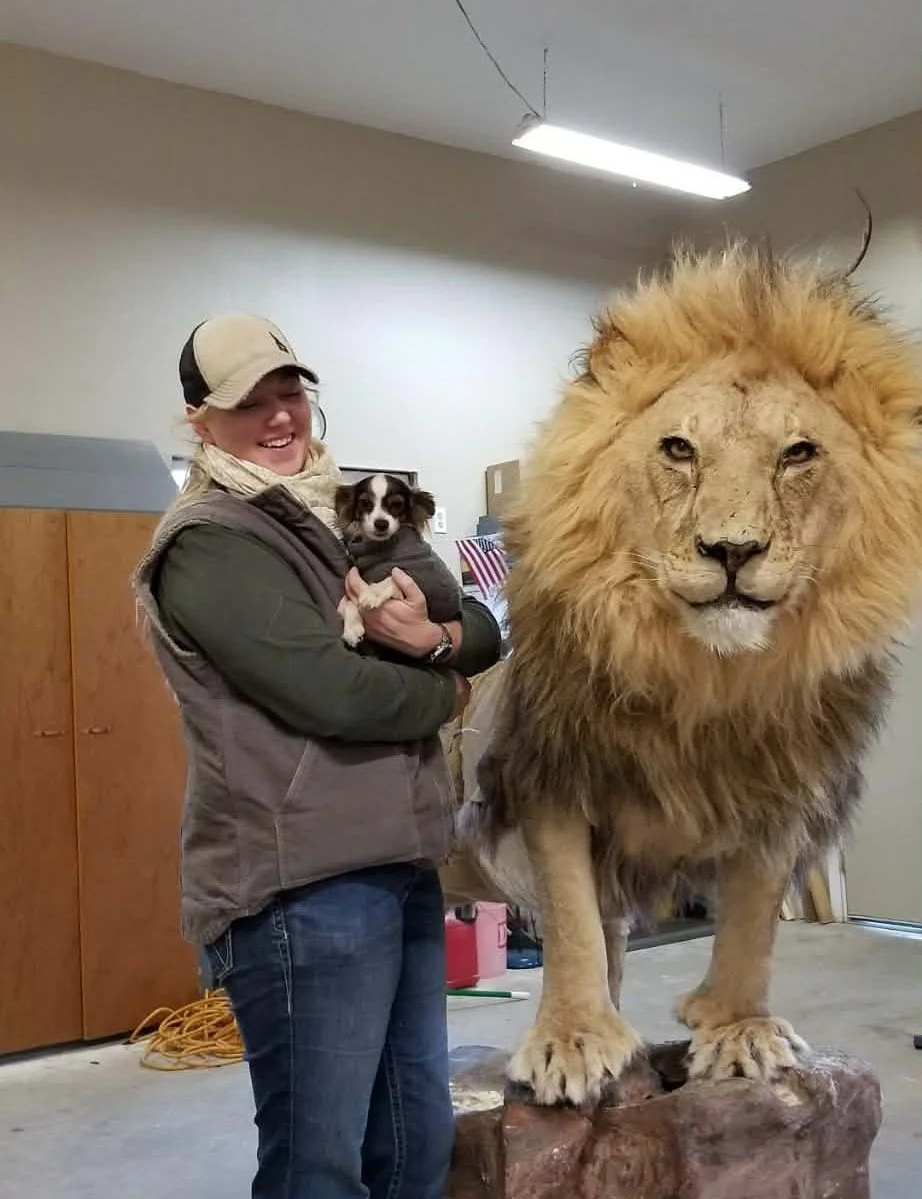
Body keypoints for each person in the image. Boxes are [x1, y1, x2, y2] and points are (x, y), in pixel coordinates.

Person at [133, 314, 502, 1199]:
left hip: (399, 859)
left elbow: (483, 622)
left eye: (288, 391)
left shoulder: (344, 509)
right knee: (318, 1159)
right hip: (302, 885)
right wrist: (444, 686)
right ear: (198, 418)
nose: (277, 417)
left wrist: (434, 637)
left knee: (416, 1136)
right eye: (245, 402)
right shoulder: (212, 540)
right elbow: (330, 694)